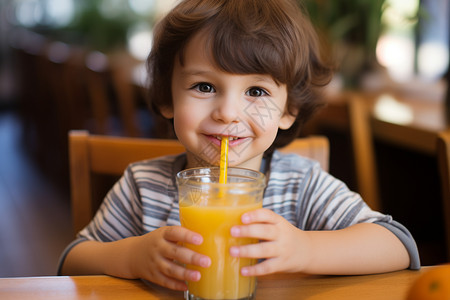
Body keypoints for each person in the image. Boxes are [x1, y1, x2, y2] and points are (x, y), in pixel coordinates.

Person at [58, 0, 420, 292]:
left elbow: (398, 245)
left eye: (257, 91)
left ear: (288, 110)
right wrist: (133, 256)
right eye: (204, 86)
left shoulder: (300, 185)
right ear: (167, 97)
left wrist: (304, 249)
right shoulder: (142, 185)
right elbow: (72, 261)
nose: (228, 112)